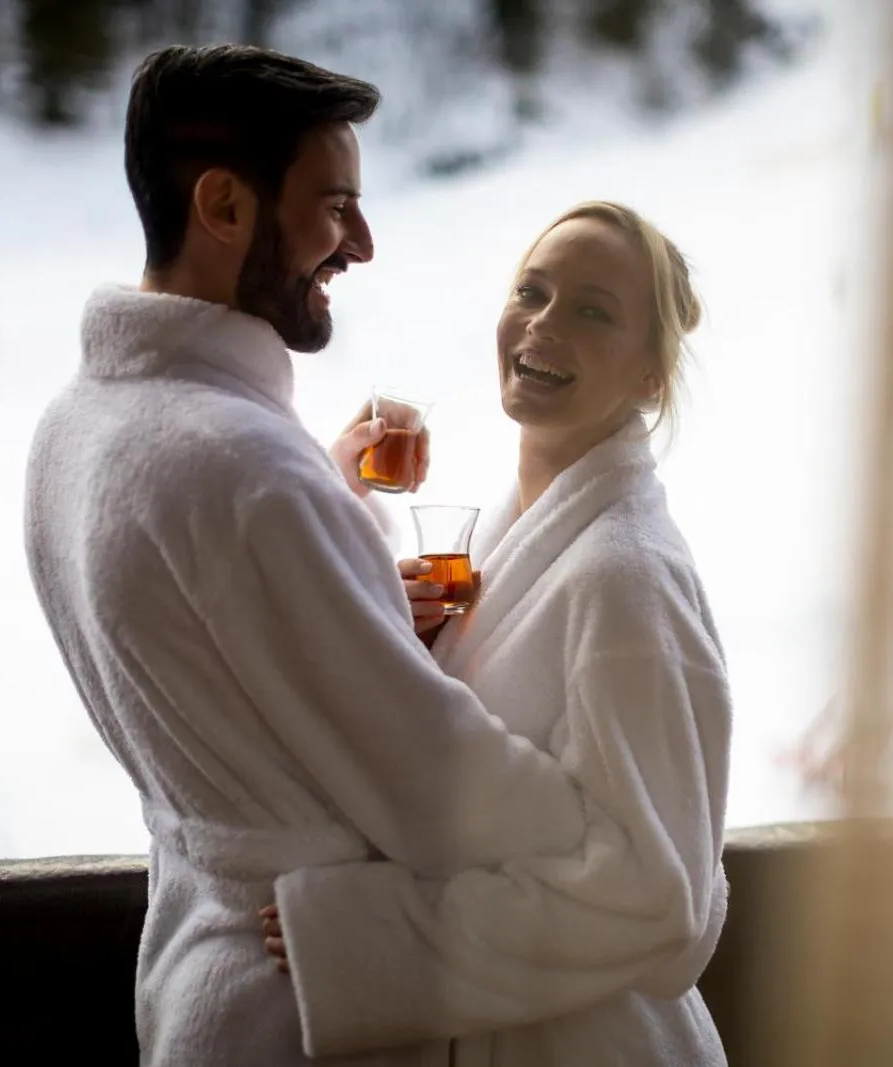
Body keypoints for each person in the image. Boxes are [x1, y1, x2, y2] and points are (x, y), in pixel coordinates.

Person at [23, 45, 602, 1067]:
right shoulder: (246, 475)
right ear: (226, 206)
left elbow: (215, 648)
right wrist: (602, 818)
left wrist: (341, 529)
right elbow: (443, 792)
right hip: (311, 1001)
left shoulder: (75, 430)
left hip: (200, 972)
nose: (362, 244)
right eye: (335, 206)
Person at [259, 202, 733, 1066]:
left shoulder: (624, 580)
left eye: (594, 310)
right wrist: (393, 632)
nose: (544, 322)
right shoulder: (511, 539)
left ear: (650, 377)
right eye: (533, 290)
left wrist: (368, 938)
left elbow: (657, 897)